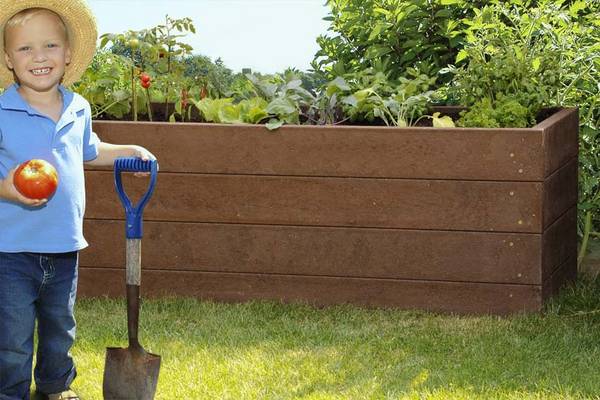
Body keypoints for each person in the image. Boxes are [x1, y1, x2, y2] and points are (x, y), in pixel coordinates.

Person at [0, 1, 156, 399]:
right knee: (12, 333)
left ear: (68, 55)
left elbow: (91, 149)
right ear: (8, 59)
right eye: (25, 48)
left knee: (60, 325)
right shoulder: (1, 110)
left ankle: (55, 385)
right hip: (10, 249)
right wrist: (6, 188)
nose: (39, 56)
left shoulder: (78, 107)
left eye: (50, 46)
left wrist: (130, 151)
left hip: (65, 245)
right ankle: (11, 390)